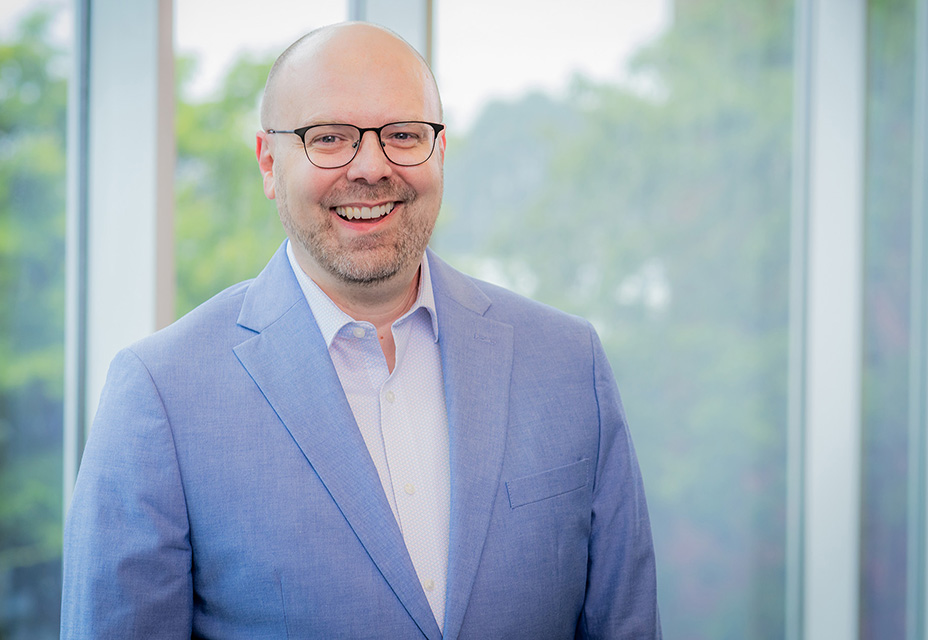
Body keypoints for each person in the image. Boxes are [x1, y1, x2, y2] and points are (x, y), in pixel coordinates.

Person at [61, 22, 661, 639]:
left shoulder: (568, 363)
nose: (372, 167)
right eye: (330, 138)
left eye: (403, 134)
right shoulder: (160, 392)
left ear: (441, 152)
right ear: (270, 164)